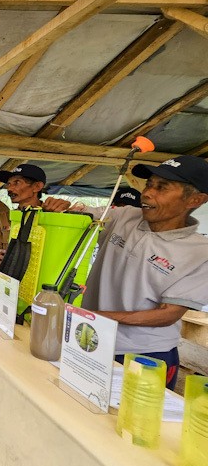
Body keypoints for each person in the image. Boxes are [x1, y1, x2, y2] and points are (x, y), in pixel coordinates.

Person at [78, 156, 208, 391]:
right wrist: (62, 208)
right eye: (149, 184)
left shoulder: (200, 254)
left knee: (130, 422)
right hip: (92, 338)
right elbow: (78, 214)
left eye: (162, 188)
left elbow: (167, 315)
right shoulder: (123, 216)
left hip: (145, 355)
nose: (147, 193)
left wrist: (95, 316)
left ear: (195, 199)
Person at [0, 164, 68, 267]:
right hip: (9, 278)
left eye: (17, 183)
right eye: (8, 184)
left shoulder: (52, 213)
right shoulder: (3, 218)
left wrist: (63, 212)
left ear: (37, 186)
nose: (9, 188)